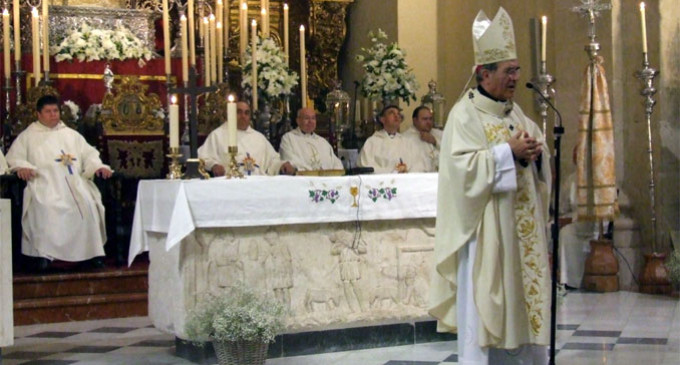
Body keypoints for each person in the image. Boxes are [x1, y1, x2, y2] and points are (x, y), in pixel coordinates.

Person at [429, 7, 551, 365]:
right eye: (508, 71)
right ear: (484, 73)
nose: (515, 78)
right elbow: (461, 171)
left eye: (517, 70)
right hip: (487, 235)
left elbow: (534, 148)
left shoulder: (514, 112)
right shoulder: (463, 115)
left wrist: (534, 154)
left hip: (519, 233)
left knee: (524, 302)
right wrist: (506, 154)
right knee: (485, 306)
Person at [6, 95, 112, 268]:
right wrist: (22, 167)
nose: (53, 115)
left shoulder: (72, 135)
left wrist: (98, 166)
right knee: (47, 206)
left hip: (75, 184)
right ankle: (46, 256)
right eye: (48, 111)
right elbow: (13, 158)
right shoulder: (28, 136)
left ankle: (91, 254)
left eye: (55, 111)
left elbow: (90, 155)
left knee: (88, 203)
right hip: (45, 184)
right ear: (38, 114)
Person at [198, 101, 296, 176]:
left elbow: (272, 160)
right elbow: (203, 157)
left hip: (258, 185)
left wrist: (282, 165)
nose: (243, 116)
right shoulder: (218, 135)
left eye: (246, 113)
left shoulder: (258, 138)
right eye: (239, 112)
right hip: (230, 184)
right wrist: (214, 166)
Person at [357, 105, 428, 174]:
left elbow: (418, 164)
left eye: (398, 114)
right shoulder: (372, 142)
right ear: (382, 119)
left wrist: (406, 172)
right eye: (391, 113)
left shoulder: (407, 142)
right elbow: (366, 166)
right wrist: (393, 172)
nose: (396, 116)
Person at [279, 107, 344, 171]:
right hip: (302, 179)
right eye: (306, 118)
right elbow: (289, 160)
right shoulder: (288, 138)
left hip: (325, 179)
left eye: (313, 118)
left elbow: (336, 163)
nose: (310, 121)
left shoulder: (322, 141)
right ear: (298, 121)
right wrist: (312, 171)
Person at [403, 106, 442, 172]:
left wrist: (435, 141)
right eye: (425, 119)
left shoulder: (439, 134)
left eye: (430, 119)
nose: (428, 122)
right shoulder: (406, 138)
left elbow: (451, 150)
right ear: (415, 120)